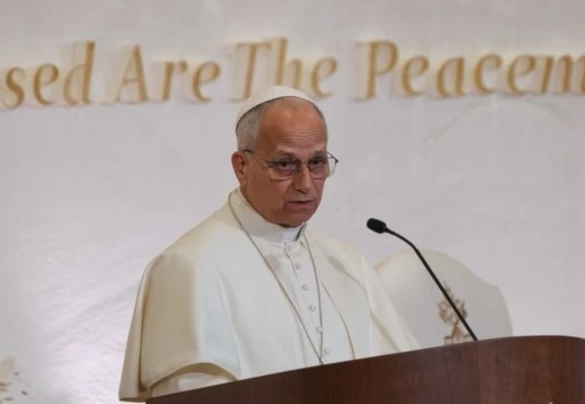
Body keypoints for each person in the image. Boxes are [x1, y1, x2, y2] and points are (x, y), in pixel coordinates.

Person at [118, 85, 420, 402]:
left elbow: (405, 381)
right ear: (242, 167)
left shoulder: (347, 264)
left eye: (317, 162)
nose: (305, 184)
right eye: (285, 164)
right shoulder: (189, 267)